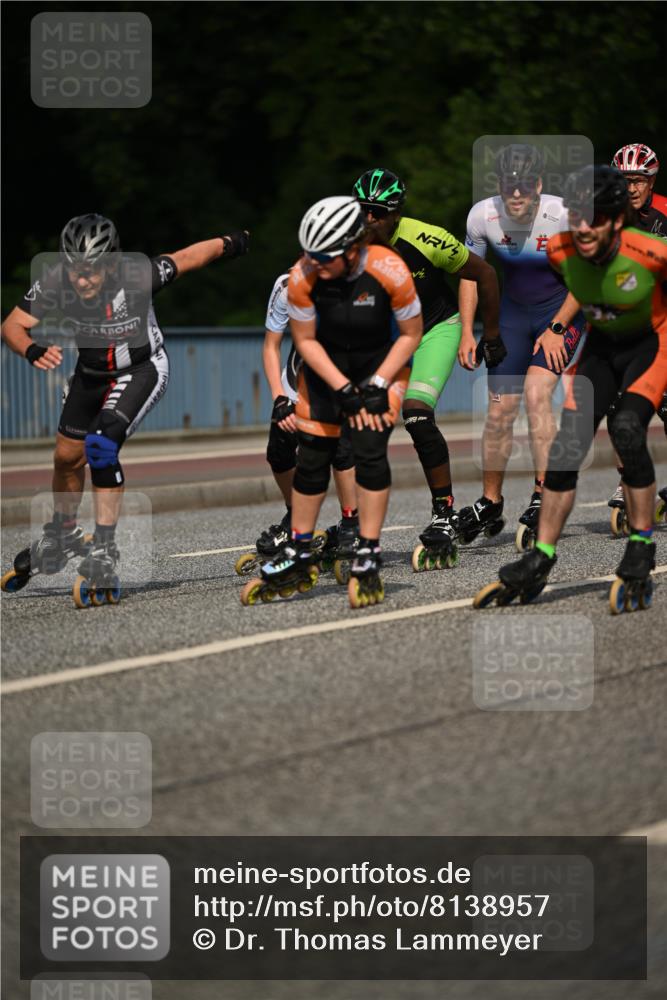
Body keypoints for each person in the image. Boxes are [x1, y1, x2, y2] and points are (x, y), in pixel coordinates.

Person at [1, 213, 249, 603]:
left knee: (100, 446)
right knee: (66, 458)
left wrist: (231, 242)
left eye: (92, 272)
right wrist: (30, 349)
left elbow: (185, 258)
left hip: (141, 369)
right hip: (90, 374)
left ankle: (104, 549)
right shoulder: (55, 281)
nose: (82, 280)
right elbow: (12, 325)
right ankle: (63, 532)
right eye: (75, 270)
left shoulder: (137, 276)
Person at [473, 165, 667, 615]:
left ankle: (640, 545)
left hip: (650, 345)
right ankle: (541, 554)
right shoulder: (562, 250)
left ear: (617, 220)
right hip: (602, 347)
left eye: (593, 219)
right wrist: (558, 325)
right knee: (566, 447)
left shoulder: (652, 253)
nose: (581, 228)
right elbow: (579, 288)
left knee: (626, 428)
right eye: (576, 217)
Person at [240, 195, 424, 608]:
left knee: (368, 450)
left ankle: (369, 551)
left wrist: (376, 385)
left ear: (354, 247)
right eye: (311, 255)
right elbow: (304, 342)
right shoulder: (301, 276)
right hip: (325, 367)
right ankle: (301, 551)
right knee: (313, 456)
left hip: (383, 364)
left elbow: (411, 334)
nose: (315, 263)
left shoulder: (389, 268)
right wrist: (342, 388)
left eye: (326, 257)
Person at [352, 167, 502, 571]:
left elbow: (484, 273)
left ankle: (444, 511)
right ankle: (351, 521)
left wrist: (490, 333)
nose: (368, 220)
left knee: (416, 414)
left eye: (377, 212)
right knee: (354, 422)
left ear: (395, 214)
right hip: (387, 337)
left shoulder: (426, 238)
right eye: (362, 209)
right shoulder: (346, 243)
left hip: (437, 327)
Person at [458, 143, 588, 550]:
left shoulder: (564, 215)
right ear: (499, 185)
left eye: (526, 186)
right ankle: (490, 501)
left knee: (536, 395)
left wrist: (555, 327)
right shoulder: (482, 215)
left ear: (539, 185)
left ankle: (542, 494)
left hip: (561, 310)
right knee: (498, 411)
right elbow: (470, 275)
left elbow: (585, 279)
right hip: (513, 317)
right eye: (510, 186)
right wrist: (467, 331)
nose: (518, 195)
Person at [235, 267, 358, 575]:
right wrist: (279, 398)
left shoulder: (356, 281)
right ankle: (295, 517)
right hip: (298, 376)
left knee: (339, 449)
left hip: (344, 371)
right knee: (279, 449)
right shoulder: (286, 284)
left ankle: (351, 522)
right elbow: (271, 346)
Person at [606, 143, 667, 525]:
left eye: (639, 180)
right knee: (618, 407)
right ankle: (627, 478)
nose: (631, 188)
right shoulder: (606, 216)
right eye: (624, 180)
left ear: (651, 181)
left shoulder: (663, 214)